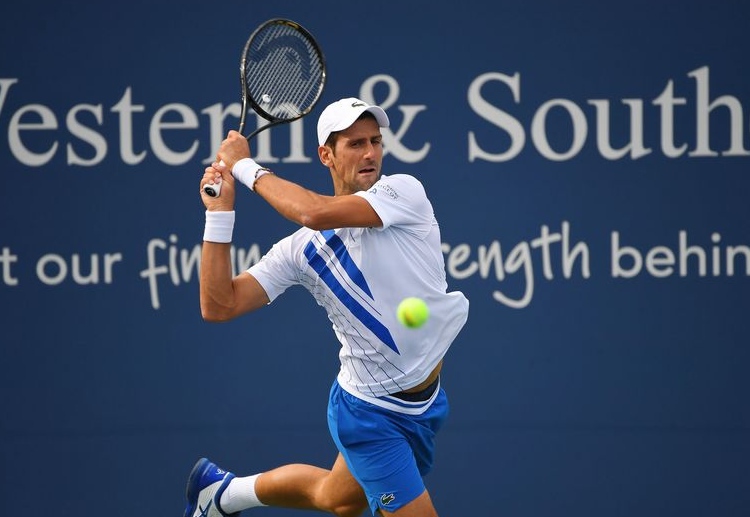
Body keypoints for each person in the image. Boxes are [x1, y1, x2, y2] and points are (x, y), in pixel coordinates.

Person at [186, 97, 469, 517]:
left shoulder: (404, 193)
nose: (371, 152)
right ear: (326, 155)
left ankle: (221, 494)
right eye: (355, 144)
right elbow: (219, 305)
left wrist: (245, 167)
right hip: (370, 415)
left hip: (424, 403)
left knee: (334, 498)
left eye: (375, 140)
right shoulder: (299, 252)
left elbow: (313, 211)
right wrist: (220, 213)